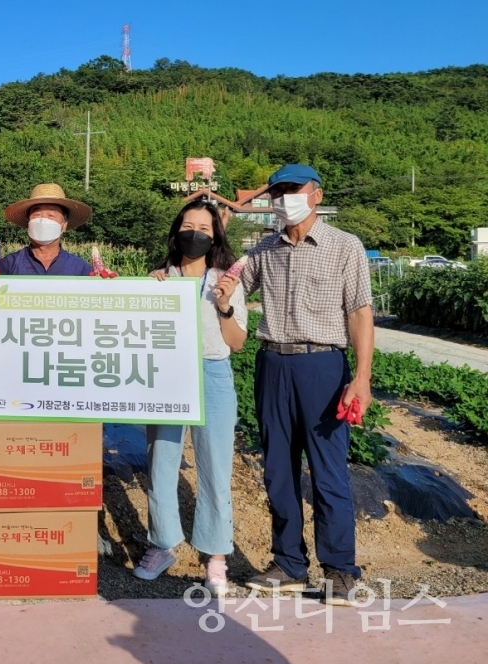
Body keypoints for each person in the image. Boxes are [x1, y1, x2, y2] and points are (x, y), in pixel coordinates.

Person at [217, 164, 373, 606]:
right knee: (278, 470)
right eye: (279, 191)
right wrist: (221, 293)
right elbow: (229, 285)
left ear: (316, 194)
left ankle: (340, 570)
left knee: (328, 472)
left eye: (293, 189)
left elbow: (360, 312)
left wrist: (361, 378)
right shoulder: (265, 248)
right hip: (273, 365)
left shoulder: (344, 246)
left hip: (322, 366)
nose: (285, 197)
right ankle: (288, 564)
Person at [133, 200, 248, 596]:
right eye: (188, 224)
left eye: (204, 226)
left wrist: (224, 306)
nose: (195, 232)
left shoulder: (225, 280)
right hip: (167, 374)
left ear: (214, 235)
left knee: (215, 465)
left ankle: (216, 554)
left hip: (213, 374)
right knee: (161, 459)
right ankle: (162, 544)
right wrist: (149, 290)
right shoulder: (161, 277)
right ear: (177, 231)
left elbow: (236, 344)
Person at [0, 183, 93, 276]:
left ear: (64, 225)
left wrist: (104, 282)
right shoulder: (8, 264)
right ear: (28, 222)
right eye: (37, 214)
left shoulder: (80, 268)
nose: (42, 220)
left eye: (51, 215)